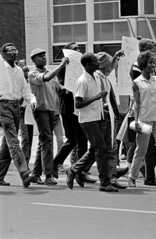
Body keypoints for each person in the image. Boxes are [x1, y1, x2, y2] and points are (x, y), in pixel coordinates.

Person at [66, 52, 118, 192]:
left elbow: (107, 71)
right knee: (101, 149)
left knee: (96, 149)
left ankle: (74, 170)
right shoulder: (82, 81)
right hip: (88, 120)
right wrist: (96, 97)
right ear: (88, 65)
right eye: (95, 61)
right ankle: (104, 182)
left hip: (98, 117)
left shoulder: (95, 76)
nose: (98, 63)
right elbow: (78, 104)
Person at [52, 42, 95, 184]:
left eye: (79, 48)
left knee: (83, 141)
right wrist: (66, 87)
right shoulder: (63, 67)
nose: (78, 50)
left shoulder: (82, 67)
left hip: (80, 109)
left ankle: (81, 172)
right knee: (72, 139)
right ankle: (55, 163)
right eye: (75, 49)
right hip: (69, 108)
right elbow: (59, 87)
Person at [28, 48, 68, 185]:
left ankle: (36, 173)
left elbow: (58, 87)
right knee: (47, 141)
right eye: (40, 56)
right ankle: (48, 174)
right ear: (33, 60)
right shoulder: (33, 74)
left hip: (52, 111)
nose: (43, 58)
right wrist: (61, 65)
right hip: (41, 110)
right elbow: (46, 78)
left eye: (44, 56)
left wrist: (69, 86)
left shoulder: (50, 73)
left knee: (43, 142)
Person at [0, 43, 37, 187]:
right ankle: (25, 173)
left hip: (16, 105)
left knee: (7, 144)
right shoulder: (2, 70)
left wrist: (32, 100)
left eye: (15, 50)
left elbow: (25, 90)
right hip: (3, 105)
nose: (14, 53)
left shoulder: (19, 71)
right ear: (3, 54)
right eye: (10, 51)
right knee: (14, 141)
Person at [127, 50, 156, 187]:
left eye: (152, 63)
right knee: (141, 150)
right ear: (143, 65)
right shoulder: (137, 82)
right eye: (149, 63)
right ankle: (132, 176)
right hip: (144, 119)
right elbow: (136, 103)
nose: (152, 65)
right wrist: (136, 121)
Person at [95, 51, 128, 189]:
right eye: (109, 62)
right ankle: (78, 170)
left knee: (111, 147)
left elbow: (111, 68)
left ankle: (112, 175)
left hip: (109, 115)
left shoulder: (102, 75)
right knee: (106, 148)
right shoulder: (97, 77)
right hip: (104, 116)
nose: (112, 66)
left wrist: (115, 57)